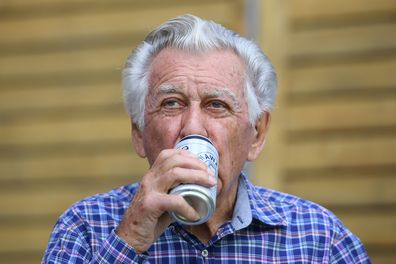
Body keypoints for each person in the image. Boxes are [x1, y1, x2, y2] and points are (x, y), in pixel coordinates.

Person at [42, 14, 370, 263]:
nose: (193, 127)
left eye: (217, 105)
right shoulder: (85, 228)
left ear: (257, 133)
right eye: (171, 103)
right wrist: (129, 241)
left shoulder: (319, 239)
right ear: (139, 133)